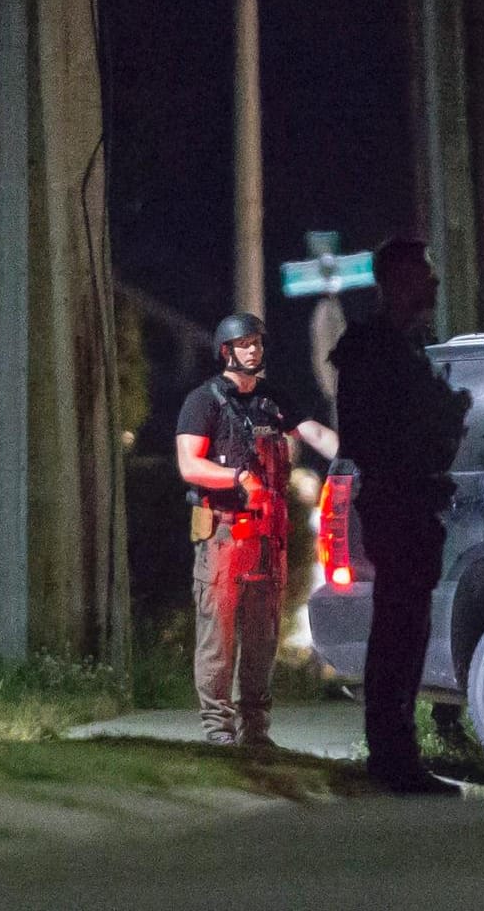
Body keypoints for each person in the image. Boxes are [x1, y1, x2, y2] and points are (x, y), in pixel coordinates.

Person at [329, 237, 471, 794]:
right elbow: (370, 434)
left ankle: (397, 754)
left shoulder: (411, 347)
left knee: (409, 631)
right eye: (423, 274)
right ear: (395, 281)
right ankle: (392, 756)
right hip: (396, 501)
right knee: (396, 632)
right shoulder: (372, 349)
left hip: (416, 501)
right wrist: (435, 419)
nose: (433, 285)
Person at [175, 312, 338, 747]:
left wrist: (356, 454)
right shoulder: (203, 401)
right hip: (223, 535)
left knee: (264, 637)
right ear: (226, 351)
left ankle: (256, 731)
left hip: (268, 538)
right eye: (244, 344)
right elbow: (189, 463)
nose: (253, 351)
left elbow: (314, 433)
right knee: (218, 636)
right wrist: (235, 479)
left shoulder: (273, 400)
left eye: (258, 343)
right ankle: (218, 730)